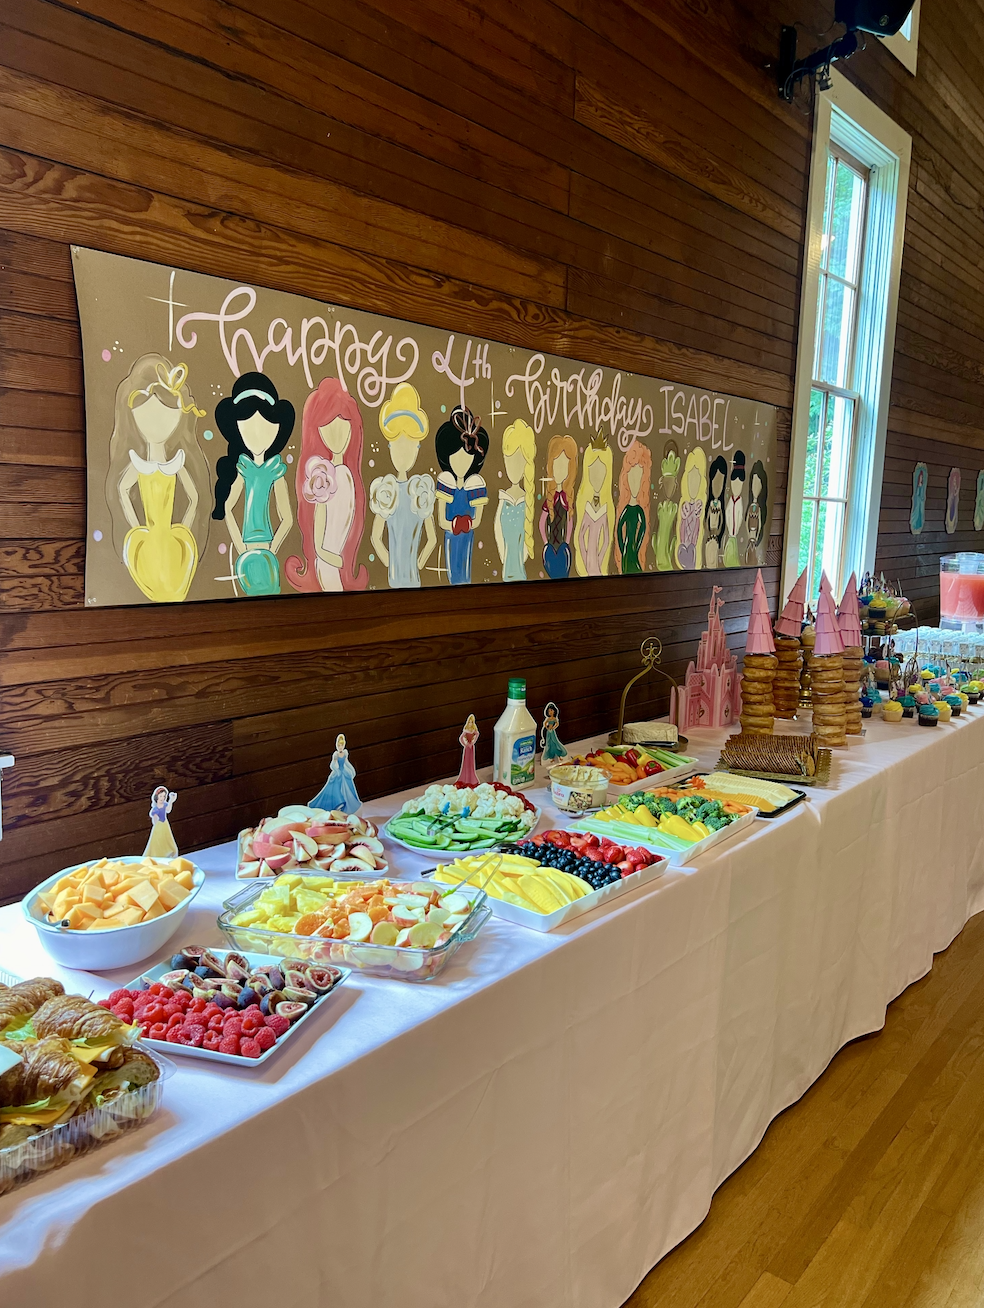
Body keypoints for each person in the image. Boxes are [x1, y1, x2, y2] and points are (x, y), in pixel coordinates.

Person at [105, 354, 209, 603]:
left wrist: (184, 525)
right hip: (149, 537)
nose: (156, 422)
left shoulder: (176, 463)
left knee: (172, 583)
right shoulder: (139, 465)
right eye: (146, 413)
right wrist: (136, 525)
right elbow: (121, 490)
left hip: (171, 538)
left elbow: (194, 498)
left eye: (167, 413)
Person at [213, 373, 295, 596]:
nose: (258, 436)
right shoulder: (244, 469)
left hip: (268, 545)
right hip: (246, 547)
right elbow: (228, 508)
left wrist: (273, 547)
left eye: (266, 427)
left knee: (270, 593)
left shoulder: (275, 471)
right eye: (248, 428)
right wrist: (239, 545)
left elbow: (287, 518)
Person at [285, 378, 368, 593]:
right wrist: (327, 555)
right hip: (328, 563)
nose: (338, 436)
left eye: (344, 427)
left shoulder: (348, 475)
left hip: (338, 560)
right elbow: (319, 529)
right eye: (328, 428)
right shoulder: (324, 476)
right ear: (318, 431)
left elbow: (350, 518)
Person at [369, 382, 436, 589]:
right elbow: (375, 536)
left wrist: (418, 563)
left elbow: (432, 539)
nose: (403, 451)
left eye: (409, 445)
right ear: (389, 447)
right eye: (397, 444)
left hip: (414, 578)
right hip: (393, 579)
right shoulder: (385, 491)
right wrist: (390, 563)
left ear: (417, 448)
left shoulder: (421, 490)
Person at [435, 406, 490, 585]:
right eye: (456, 457)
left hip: (467, 536)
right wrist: (455, 524)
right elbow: (441, 520)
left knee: (466, 572)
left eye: (467, 458)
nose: (461, 463)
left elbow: (478, 519)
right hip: (451, 536)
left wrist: (466, 524)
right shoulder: (446, 481)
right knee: (452, 573)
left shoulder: (475, 485)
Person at [539, 435, 578, 579]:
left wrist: (567, 542)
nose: (561, 470)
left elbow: (569, 521)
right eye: (557, 464)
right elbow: (541, 522)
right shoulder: (550, 498)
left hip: (563, 547)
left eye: (565, 465)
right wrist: (545, 542)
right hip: (550, 545)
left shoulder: (567, 499)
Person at [310, 734, 361, 814]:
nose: (340, 747)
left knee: (348, 789)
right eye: (339, 745)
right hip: (338, 773)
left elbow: (347, 762)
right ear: (337, 745)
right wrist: (336, 771)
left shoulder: (345, 753)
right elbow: (332, 765)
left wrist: (352, 770)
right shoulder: (336, 754)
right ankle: (338, 804)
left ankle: (347, 807)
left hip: (344, 772)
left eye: (342, 745)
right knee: (336, 789)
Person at [144, 786, 178, 859]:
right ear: (157, 797)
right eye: (160, 796)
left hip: (165, 824)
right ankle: (156, 855)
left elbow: (168, 810)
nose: (162, 798)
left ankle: (168, 853)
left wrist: (171, 800)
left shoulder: (165, 805)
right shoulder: (155, 809)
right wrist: (155, 820)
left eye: (164, 796)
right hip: (159, 825)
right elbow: (155, 819)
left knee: (167, 838)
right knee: (158, 839)